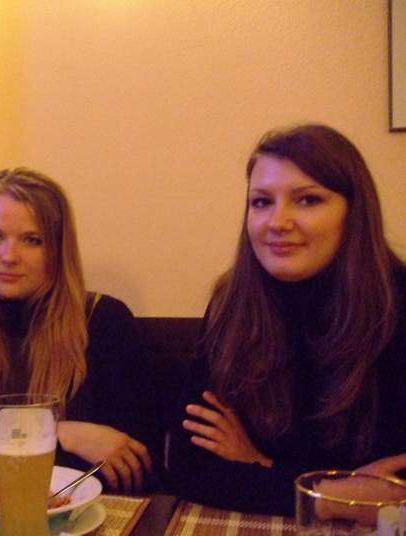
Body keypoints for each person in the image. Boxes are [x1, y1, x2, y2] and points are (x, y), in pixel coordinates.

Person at [168, 124, 406, 515]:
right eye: (262, 202)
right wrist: (331, 495)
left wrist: (258, 464)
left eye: (308, 200)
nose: (277, 221)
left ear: (354, 212)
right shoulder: (233, 303)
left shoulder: (397, 304)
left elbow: (393, 491)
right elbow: (189, 469)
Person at [0, 168, 161, 492]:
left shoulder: (105, 322)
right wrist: (64, 435)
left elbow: (130, 469)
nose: (9, 256)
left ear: (58, 249)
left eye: (32, 240)